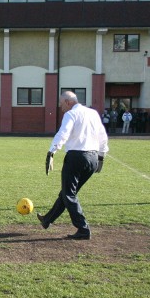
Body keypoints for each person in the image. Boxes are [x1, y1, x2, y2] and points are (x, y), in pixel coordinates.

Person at [37, 91, 109, 240]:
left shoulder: (70, 115)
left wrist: (51, 152)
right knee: (67, 192)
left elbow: (63, 133)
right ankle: (47, 219)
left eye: (61, 103)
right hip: (93, 158)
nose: (60, 106)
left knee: (69, 194)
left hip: (76, 157)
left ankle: (83, 228)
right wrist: (101, 157)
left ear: (68, 102)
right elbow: (103, 135)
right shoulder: (93, 113)